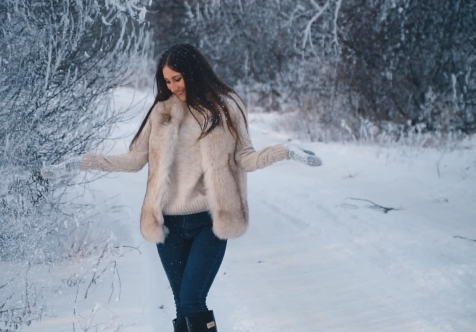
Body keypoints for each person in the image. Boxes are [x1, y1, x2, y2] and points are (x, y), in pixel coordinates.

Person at [41, 43, 322, 332]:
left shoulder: (226, 108)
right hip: (169, 225)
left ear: (194, 73)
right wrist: (82, 163)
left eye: (178, 78)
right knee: (181, 305)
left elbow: (245, 159)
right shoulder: (161, 113)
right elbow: (133, 160)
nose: (173, 86)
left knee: (192, 301)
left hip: (209, 222)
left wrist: (286, 152)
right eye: (167, 81)